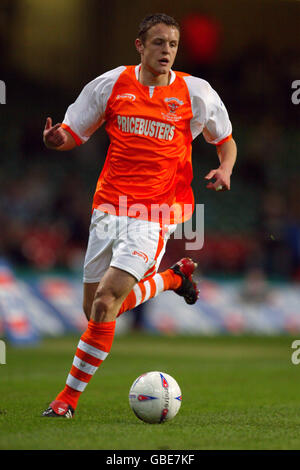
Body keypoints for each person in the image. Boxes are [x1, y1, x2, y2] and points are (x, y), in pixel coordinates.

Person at [42, 13, 237, 418]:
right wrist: (57, 140)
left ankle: (67, 400)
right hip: (108, 207)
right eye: (158, 43)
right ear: (140, 46)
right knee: (94, 310)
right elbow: (72, 132)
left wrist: (225, 169)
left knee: (106, 302)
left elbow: (226, 142)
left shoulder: (196, 93)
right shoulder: (112, 84)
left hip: (157, 210)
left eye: (172, 45)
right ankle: (172, 278)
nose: (166, 51)